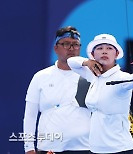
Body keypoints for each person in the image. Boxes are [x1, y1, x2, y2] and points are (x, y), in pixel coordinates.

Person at [67, 34, 133, 154]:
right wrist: (87, 62)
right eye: (99, 48)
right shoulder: (93, 74)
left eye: (109, 48)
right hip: (95, 148)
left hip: (120, 149)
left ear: (116, 54)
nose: (104, 52)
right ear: (93, 55)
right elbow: (71, 61)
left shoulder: (122, 78)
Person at [23, 26, 91, 154]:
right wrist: (29, 148)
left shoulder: (91, 76)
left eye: (75, 44)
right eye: (66, 44)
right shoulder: (41, 77)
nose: (71, 49)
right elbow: (30, 116)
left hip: (84, 148)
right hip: (49, 148)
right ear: (56, 48)